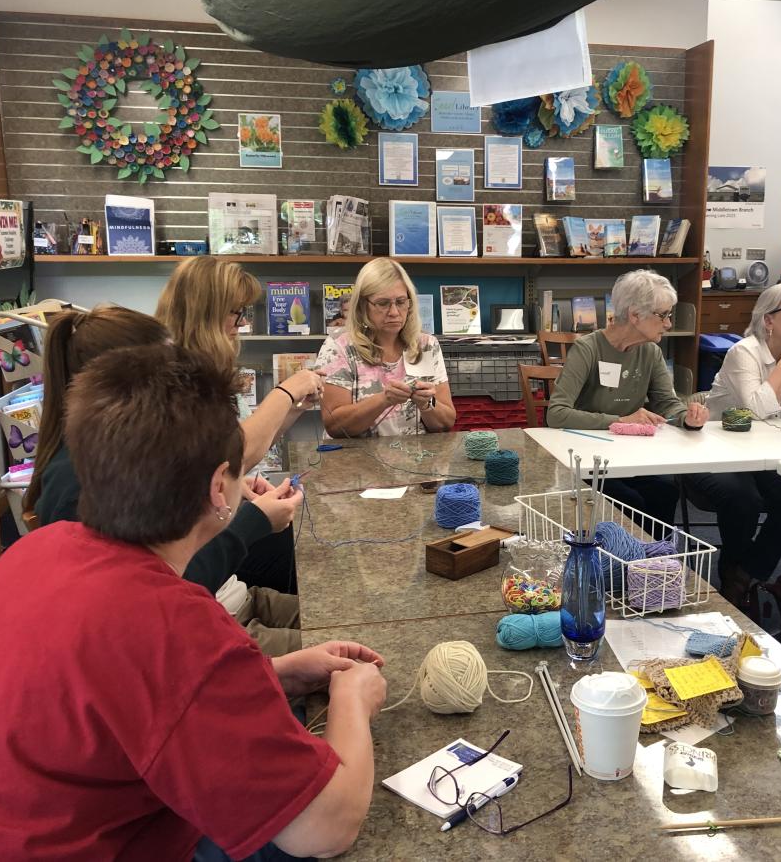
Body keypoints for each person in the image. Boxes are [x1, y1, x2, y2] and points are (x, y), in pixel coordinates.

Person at [0, 343, 387, 858]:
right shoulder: (170, 625)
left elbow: (114, 704)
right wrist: (353, 701)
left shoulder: (34, 551)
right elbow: (326, 826)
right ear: (220, 487)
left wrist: (269, 673)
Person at [23, 305, 305, 656]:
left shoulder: (133, 456)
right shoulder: (76, 486)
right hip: (203, 627)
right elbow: (158, 598)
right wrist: (252, 522)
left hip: (227, 603)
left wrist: (231, 494)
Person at [157, 255, 322, 592]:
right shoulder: (175, 380)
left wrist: (292, 409)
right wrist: (286, 392)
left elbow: (228, 456)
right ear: (208, 311)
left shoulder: (191, 368)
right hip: (195, 557)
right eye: (236, 313)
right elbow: (234, 456)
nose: (242, 324)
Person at [547, 269, 709, 529]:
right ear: (634, 315)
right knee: (631, 501)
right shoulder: (588, 349)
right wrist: (621, 420)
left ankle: (656, 562)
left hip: (629, 456)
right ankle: (629, 560)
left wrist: (687, 419)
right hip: (588, 460)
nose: (668, 323)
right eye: (663, 315)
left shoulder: (651, 352)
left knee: (665, 491)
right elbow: (556, 413)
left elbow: (667, 403)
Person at [694, 279, 781, 604]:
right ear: (768, 319)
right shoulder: (744, 352)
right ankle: (731, 569)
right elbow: (757, 410)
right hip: (718, 448)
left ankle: (746, 572)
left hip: (766, 454)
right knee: (743, 498)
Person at [317, 257, 456, 437]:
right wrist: (383, 400)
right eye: (383, 303)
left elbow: (446, 423)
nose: (394, 312)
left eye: (400, 302)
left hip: (415, 459)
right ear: (362, 306)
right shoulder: (339, 346)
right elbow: (335, 427)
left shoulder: (426, 345)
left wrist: (427, 404)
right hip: (357, 462)